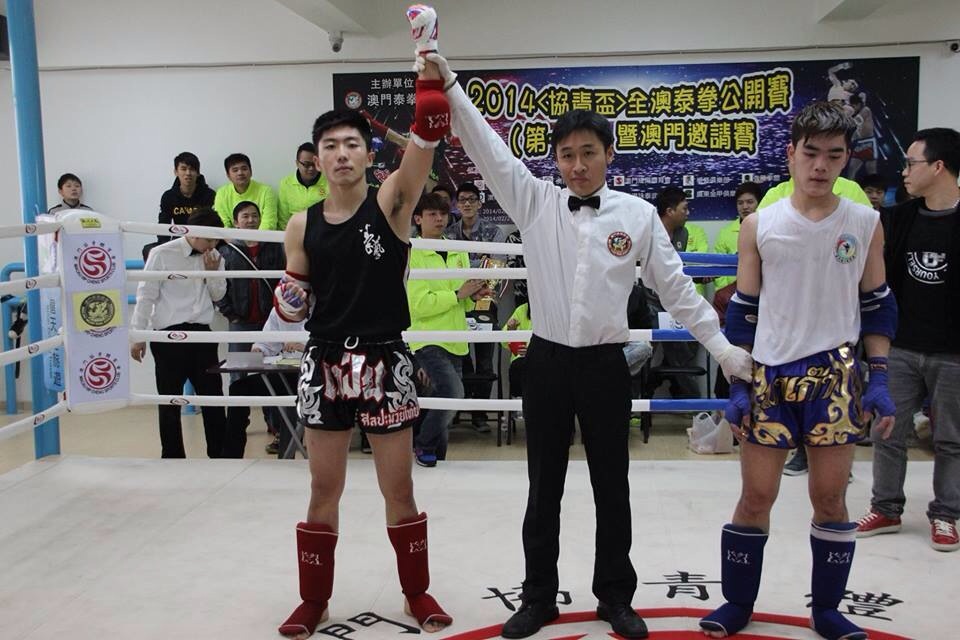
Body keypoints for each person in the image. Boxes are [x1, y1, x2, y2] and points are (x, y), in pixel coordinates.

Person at [415, 31, 753, 639]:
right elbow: (487, 147)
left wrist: (725, 350)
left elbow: (678, 291)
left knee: (612, 486)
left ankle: (615, 597)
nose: (577, 165)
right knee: (542, 487)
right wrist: (450, 83)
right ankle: (538, 597)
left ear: (608, 155)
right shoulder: (535, 202)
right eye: (567, 154)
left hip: (604, 363)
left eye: (588, 153)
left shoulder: (638, 216)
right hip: (546, 359)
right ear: (556, 160)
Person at [274, 15, 453, 636]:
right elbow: (296, 299)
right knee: (323, 488)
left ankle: (416, 593)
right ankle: (314, 599)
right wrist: (290, 301)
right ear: (316, 157)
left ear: (366, 153)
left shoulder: (392, 203)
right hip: (324, 359)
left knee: (397, 489)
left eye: (351, 143)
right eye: (330, 146)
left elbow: (426, 139)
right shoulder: (301, 224)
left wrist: (427, 65)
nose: (342, 153)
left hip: (384, 358)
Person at [699, 102, 897, 640]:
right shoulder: (759, 225)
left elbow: (877, 303)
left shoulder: (865, 222)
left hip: (837, 375)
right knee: (756, 496)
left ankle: (827, 610)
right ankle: (737, 604)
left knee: (830, 499)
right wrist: (738, 384)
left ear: (845, 159)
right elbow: (743, 312)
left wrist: (879, 377)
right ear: (791, 154)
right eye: (811, 153)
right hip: (769, 374)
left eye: (834, 155)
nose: (820, 166)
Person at [856, 127, 960, 552]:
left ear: (938, 167)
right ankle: (886, 507)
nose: (904, 172)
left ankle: (947, 514)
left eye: (911, 164)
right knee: (887, 429)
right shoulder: (898, 219)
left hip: (953, 352)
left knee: (951, 439)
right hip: (899, 346)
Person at [130, 207, 228, 459]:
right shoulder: (162, 254)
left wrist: (211, 273)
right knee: (169, 402)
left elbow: (219, 295)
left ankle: (220, 456)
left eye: (216, 240)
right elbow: (145, 296)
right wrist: (138, 336)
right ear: (193, 233)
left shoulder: (215, 256)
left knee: (214, 399)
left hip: (202, 335)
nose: (212, 245)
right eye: (209, 240)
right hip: (168, 336)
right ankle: (172, 458)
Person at [407, 192, 489, 467]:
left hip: (456, 337)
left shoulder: (457, 249)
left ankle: (433, 457)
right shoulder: (412, 253)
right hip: (427, 339)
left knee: (439, 398)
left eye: (443, 213)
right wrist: (457, 294)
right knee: (453, 394)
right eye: (432, 214)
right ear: (418, 219)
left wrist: (473, 296)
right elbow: (418, 305)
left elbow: (461, 299)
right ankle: (422, 444)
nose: (439, 219)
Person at [444, 181, 508, 433]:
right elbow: (447, 269)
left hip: (485, 301)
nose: (467, 204)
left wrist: (469, 267)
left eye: (472, 199)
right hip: (456, 302)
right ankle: (459, 408)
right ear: (457, 205)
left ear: (480, 203)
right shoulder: (448, 233)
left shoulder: (494, 232)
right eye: (462, 200)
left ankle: (480, 414)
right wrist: (479, 262)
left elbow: (497, 267)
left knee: (484, 361)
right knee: (460, 357)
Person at [223, 307, 305, 458]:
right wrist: (259, 350)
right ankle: (231, 457)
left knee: (292, 404)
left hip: (314, 377)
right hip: (286, 372)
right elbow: (267, 341)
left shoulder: (323, 306)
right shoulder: (280, 308)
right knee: (239, 388)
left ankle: (287, 455)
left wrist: (303, 346)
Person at [156, 152, 216, 243]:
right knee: (148, 249)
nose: (188, 173)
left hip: (202, 241)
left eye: (192, 169)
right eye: (183, 169)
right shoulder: (168, 196)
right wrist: (163, 247)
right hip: (179, 241)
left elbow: (213, 225)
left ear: (198, 173)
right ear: (176, 172)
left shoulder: (209, 195)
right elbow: (163, 226)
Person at [213, 153, 279, 230]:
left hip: (262, 236)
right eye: (235, 170)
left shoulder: (267, 192)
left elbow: (269, 224)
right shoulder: (221, 193)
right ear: (228, 175)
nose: (240, 173)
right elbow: (222, 224)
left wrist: (255, 237)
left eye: (244, 169)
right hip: (232, 237)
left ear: (251, 172)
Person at [278, 142, 329, 231]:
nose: (311, 168)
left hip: (322, 233)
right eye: (306, 164)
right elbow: (283, 220)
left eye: (315, 164)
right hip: (295, 233)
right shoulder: (286, 184)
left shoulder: (330, 183)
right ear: (297, 163)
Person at [846, 94, 877, 179]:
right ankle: (849, 187)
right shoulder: (856, 114)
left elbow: (856, 122)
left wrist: (843, 119)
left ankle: (875, 187)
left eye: (853, 106)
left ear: (858, 104)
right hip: (860, 144)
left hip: (869, 143)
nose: (852, 109)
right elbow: (857, 132)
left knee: (871, 171)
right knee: (851, 169)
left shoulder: (866, 110)